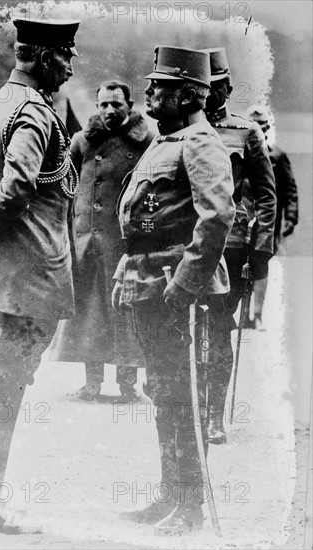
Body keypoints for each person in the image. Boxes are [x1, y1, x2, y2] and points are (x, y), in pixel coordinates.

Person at [0, 18, 81, 533]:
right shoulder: (31, 112)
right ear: (45, 57)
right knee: (4, 384)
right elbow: (15, 189)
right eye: (66, 57)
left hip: (7, 274)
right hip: (27, 276)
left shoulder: (3, 102)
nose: (70, 68)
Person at [113, 46, 235, 534]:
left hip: (174, 287)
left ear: (188, 94)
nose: (148, 93)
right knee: (163, 390)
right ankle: (170, 496)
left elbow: (217, 216)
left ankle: (191, 510)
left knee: (182, 394)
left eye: (158, 87)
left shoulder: (200, 142)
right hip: (148, 279)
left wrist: (185, 285)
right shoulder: (168, 139)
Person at [47, 80, 153, 401]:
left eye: (116, 105)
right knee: (90, 313)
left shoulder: (146, 141)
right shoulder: (82, 141)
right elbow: (66, 186)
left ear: (129, 106)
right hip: (87, 244)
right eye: (104, 104)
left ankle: (127, 386)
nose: (109, 110)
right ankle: (92, 383)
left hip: (123, 245)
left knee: (124, 312)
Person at [203, 48, 276, 443]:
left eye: (216, 86)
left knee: (217, 329)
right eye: (203, 86)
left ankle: (214, 415)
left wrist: (260, 247)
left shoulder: (246, 132)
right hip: (185, 244)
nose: (208, 93)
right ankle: (187, 407)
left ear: (228, 88)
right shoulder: (182, 129)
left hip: (230, 247)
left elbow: (267, 195)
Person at [246, 105, 299, 328]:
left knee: (261, 264)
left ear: (268, 127)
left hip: (269, 221)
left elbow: (289, 189)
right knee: (240, 264)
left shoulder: (277, 155)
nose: (259, 128)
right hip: (242, 220)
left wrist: (291, 217)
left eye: (263, 125)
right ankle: (238, 315)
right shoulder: (237, 153)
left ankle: (256, 315)